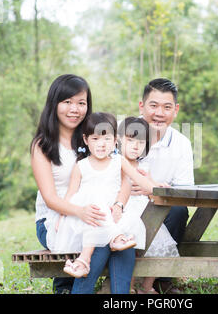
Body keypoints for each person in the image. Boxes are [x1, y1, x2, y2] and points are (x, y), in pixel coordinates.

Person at [30, 75, 133, 294]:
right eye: (67, 102)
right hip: (54, 219)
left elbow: (124, 176)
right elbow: (50, 198)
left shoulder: (93, 137)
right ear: (54, 104)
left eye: (81, 103)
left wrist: (119, 205)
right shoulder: (43, 145)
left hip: (97, 213)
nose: (74, 109)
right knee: (102, 235)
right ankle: (71, 289)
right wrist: (81, 211)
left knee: (119, 232)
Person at [45, 112, 156, 285]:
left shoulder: (118, 161)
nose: (101, 145)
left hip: (110, 214)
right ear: (86, 140)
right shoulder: (81, 166)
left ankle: (83, 261)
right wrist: (61, 215)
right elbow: (71, 194)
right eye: (95, 139)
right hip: (87, 215)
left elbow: (140, 179)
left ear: (115, 141)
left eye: (106, 139)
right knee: (95, 203)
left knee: (102, 208)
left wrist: (159, 188)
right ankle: (113, 239)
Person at [135, 78, 194, 293]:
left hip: (162, 206)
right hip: (127, 204)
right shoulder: (124, 134)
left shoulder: (181, 144)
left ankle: (161, 278)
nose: (159, 113)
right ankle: (123, 280)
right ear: (141, 106)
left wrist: (154, 190)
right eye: (154, 105)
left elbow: (185, 191)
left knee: (179, 210)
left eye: (167, 107)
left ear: (175, 110)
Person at [116, 117, 179, 294]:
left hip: (145, 210)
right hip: (127, 211)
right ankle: (129, 286)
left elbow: (150, 186)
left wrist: (158, 185)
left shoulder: (143, 164)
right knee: (133, 250)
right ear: (119, 140)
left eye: (141, 142)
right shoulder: (116, 163)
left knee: (157, 246)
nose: (136, 146)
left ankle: (147, 286)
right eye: (130, 140)